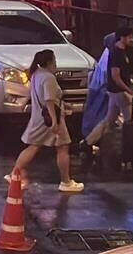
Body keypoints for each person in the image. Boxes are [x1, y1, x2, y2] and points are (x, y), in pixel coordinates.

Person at [12, 49, 84, 192]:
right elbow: (49, 100)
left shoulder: (36, 74)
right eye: (54, 60)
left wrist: (63, 105)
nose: (56, 63)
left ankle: (15, 173)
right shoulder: (48, 77)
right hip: (50, 119)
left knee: (34, 146)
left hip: (39, 117)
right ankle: (66, 181)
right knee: (63, 147)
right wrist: (54, 121)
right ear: (49, 62)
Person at [84, 26, 133, 150]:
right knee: (132, 121)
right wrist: (130, 92)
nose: (132, 39)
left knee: (108, 120)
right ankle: (132, 150)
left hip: (116, 92)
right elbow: (115, 76)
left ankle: (87, 143)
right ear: (122, 37)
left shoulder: (123, 52)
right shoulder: (115, 54)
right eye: (129, 37)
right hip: (119, 92)